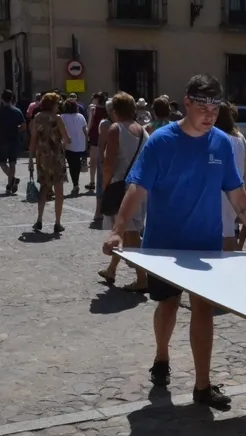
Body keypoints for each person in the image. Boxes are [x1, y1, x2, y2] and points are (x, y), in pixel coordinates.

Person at [102, 74, 246, 409]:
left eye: (215, 108)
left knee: (203, 308)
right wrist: (118, 228)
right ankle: (161, 356)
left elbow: (237, 194)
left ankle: (202, 386)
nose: (210, 114)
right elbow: (137, 187)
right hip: (163, 245)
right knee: (167, 304)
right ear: (188, 103)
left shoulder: (221, 143)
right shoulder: (161, 141)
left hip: (206, 244)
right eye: (203, 107)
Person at [97, 92, 149, 291]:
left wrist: (105, 186)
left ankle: (142, 278)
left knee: (130, 233)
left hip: (121, 186)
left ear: (115, 111)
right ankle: (111, 270)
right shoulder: (143, 131)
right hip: (139, 186)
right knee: (124, 230)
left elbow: (109, 164)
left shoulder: (116, 129)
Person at [28, 92, 70, 234]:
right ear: (53, 104)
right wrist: (65, 141)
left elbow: (33, 139)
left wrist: (30, 159)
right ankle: (57, 222)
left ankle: (39, 219)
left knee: (44, 188)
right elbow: (66, 138)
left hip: (42, 156)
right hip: (56, 156)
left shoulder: (37, 118)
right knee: (59, 190)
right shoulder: (57, 118)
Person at [214, 101, 246, 251]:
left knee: (223, 231)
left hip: (220, 190)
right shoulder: (240, 137)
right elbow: (245, 166)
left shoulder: (217, 138)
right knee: (229, 229)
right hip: (236, 189)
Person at [0, 89, 26, 195]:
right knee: (12, 163)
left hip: (2, 139)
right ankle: (10, 184)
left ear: (2, 99)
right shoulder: (17, 111)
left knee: (2, 163)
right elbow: (23, 126)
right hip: (14, 139)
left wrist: (0, 130)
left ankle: (12, 181)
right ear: (12, 99)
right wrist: (16, 130)